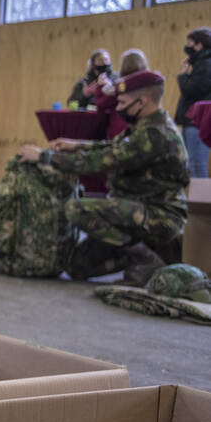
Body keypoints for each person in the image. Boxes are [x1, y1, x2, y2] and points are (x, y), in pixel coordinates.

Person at [20, 71, 189, 284]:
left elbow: (101, 162)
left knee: (76, 208)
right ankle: (143, 254)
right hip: (135, 211)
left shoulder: (155, 134)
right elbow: (113, 148)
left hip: (158, 216)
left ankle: (143, 258)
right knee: (76, 266)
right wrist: (77, 145)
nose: (118, 108)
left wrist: (44, 157)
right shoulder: (145, 126)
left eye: (123, 103)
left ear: (142, 101)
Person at [177, 27, 211, 178]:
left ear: (199, 45)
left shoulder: (206, 64)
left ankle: (201, 194)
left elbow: (192, 90)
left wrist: (183, 76)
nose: (187, 46)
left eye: (190, 42)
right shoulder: (200, 64)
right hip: (194, 119)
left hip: (198, 120)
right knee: (192, 164)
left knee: (197, 164)